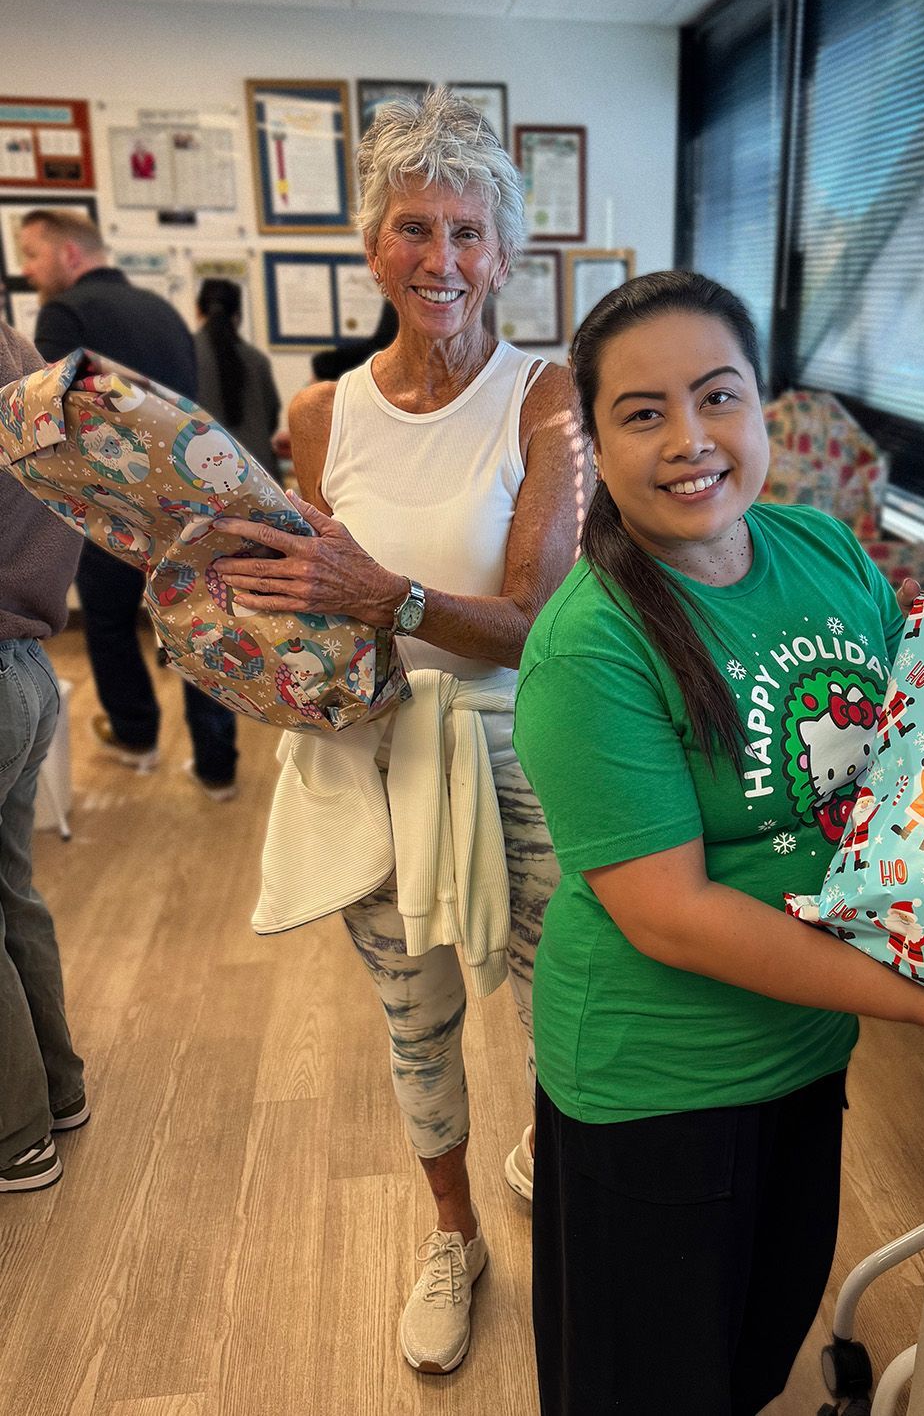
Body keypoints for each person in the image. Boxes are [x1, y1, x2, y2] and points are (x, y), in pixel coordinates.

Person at [512, 271, 924, 1416]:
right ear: (594, 447)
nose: (690, 440)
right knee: (645, 1388)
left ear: (765, 411)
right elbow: (671, 913)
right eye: (642, 413)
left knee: (754, 1355)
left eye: (718, 397)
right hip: (655, 1082)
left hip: (806, 1046)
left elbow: (914, 752)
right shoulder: (590, 643)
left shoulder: (820, 553)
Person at [209, 89, 584, 1375]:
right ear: (373, 246)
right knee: (412, 1018)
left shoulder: (548, 398)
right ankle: (453, 1236)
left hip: (519, 746)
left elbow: (541, 621)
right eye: (414, 228)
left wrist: (390, 596)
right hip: (370, 748)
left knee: (557, 1010)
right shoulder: (320, 417)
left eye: (469, 232)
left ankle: (565, 1194)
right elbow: (309, 604)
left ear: (506, 251)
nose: (443, 261)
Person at [18, 208, 238, 800]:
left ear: (69, 255)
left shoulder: (66, 312)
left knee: (111, 622)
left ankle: (136, 736)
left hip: (111, 505)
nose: (26, 270)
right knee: (200, 627)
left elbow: (45, 414)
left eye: (31, 255)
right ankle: (218, 765)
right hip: (184, 500)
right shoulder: (163, 311)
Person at [0, 320, 89, 1193]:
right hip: (28, 664)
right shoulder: (24, 358)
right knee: (12, 888)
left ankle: (16, 1133)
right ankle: (55, 1093)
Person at [194, 277, 284, 480]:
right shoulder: (257, 360)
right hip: (261, 477)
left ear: (198, 311)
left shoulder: (184, 354)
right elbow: (271, 419)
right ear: (238, 315)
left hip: (204, 476)